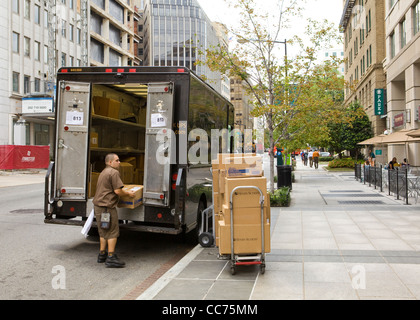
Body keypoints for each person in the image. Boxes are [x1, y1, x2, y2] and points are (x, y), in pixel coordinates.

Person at [93, 153, 135, 268]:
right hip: (107, 207)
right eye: (117, 160)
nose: (119, 162)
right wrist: (128, 193)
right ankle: (111, 257)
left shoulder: (104, 171)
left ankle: (102, 254)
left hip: (99, 206)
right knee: (112, 232)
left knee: (103, 230)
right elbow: (118, 191)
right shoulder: (114, 172)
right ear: (110, 162)